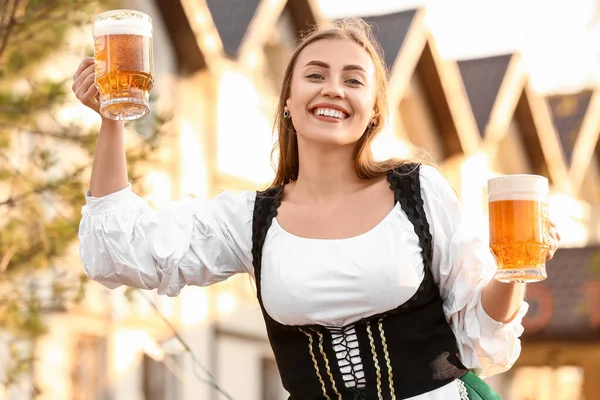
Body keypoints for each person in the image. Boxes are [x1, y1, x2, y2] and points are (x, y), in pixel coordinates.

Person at [72, 17, 560, 400]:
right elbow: (121, 253)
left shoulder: (418, 192)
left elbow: (479, 332)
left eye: (353, 80)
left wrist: (515, 270)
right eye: (315, 75)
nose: (333, 89)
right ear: (288, 101)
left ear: (374, 110)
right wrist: (112, 120)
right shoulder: (251, 220)